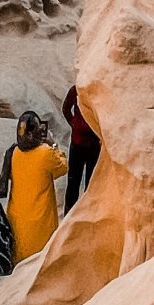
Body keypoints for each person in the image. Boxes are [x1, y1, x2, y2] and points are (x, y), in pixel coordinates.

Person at [0, 115, 67, 263]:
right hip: (41, 223)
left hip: (17, 221)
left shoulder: (13, 153)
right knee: (39, 261)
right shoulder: (46, 153)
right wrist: (54, 145)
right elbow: (62, 167)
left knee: (19, 261)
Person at [61, 84, 101, 212]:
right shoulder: (76, 89)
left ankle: (87, 212)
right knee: (73, 181)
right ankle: (69, 213)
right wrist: (74, 123)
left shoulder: (97, 90)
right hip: (78, 143)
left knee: (91, 183)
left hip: (94, 143)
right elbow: (66, 108)